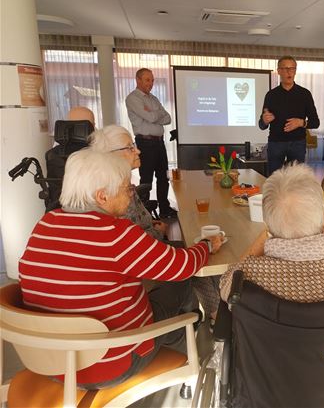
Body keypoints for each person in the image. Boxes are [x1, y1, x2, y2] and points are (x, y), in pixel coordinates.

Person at [18, 149, 222, 389]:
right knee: (180, 281)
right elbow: (181, 266)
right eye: (127, 188)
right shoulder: (115, 233)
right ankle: (184, 345)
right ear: (102, 196)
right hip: (110, 365)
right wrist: (206, 245)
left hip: (50, 361)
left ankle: (178, 336)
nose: (132, 193)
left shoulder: (45, 224)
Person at [89, 125, 222, 318]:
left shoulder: (121, 186)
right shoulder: (114, 196)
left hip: (148, 251)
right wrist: (204, 244)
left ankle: (215, 312)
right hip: (141, 270)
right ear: (111, 155)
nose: (138, 150)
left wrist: (153, 225)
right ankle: (214, 315)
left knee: (200, 254)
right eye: (130, 147)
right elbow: (133, 244)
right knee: (198, 256)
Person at [220, 163, 324, 303]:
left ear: (268, 226)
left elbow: (225, 288)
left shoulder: (249, 271)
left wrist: (264, 236)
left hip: (275, 335)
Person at [126, 68, 177, 218]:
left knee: (163, 177)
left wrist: (153, 114)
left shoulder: (153, 99)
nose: (151, 83)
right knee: (146, 179)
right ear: (138, 80)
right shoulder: (133, 98)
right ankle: (145, 214)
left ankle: (164, 209)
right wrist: (155, 114)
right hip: (145, 143)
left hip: (159, 143)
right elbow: (152, 118)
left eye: (152, 80)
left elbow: (167, 118)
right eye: (148, 80)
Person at [258, 56, 320, 175]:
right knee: (274, 179)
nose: (289, 72)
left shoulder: (305, 94)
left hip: (297, 143)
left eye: (292, 68)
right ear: (279, 71)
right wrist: (265, 121)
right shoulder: (271, 95)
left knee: (296, 180)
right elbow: (262, 125)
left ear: (295, 71)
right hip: (276, 143)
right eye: (285, 68)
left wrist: (301, 122)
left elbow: (316, 122)